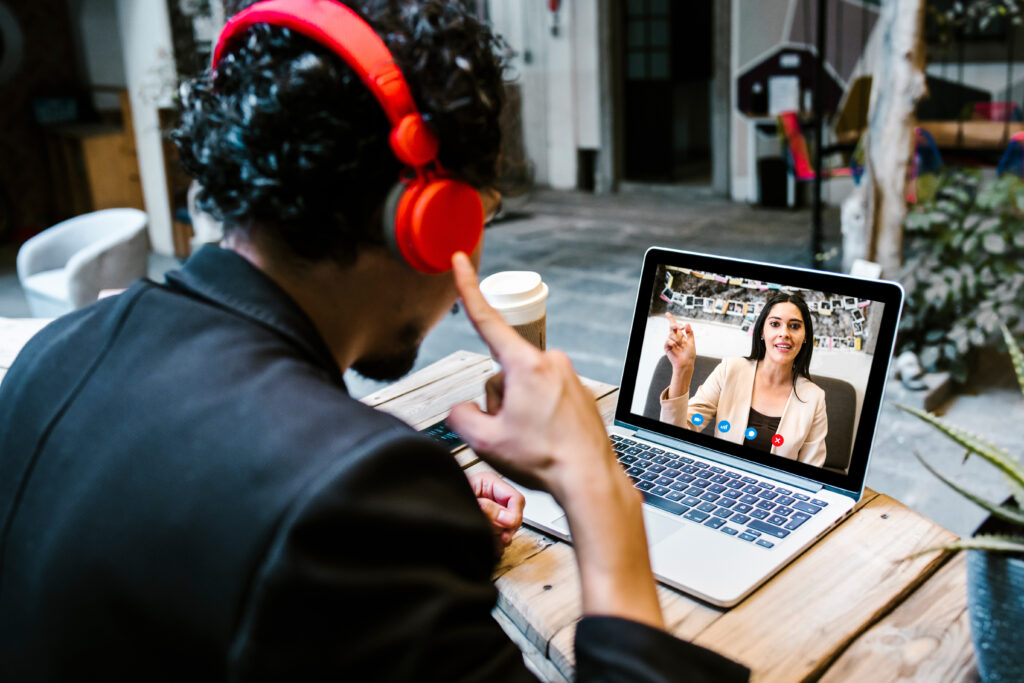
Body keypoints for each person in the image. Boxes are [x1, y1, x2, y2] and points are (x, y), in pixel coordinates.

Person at [0, 1, 748, 680]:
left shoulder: (52, 355)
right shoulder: (352, 500)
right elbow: (307, 511)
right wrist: (595, 480)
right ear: (433, 219)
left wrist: (416, 535)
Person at [660, 292, 828, 467]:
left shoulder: (815, 398)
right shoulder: (729, 370)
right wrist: (682, 370)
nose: (784, 333)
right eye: (775, 324)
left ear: (806, 336)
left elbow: (811, 472)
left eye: (794, 326)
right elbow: (676, 433)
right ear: (762, 331)